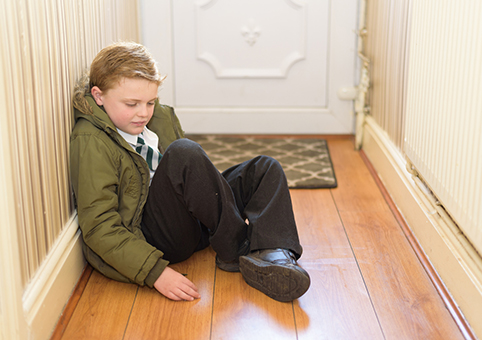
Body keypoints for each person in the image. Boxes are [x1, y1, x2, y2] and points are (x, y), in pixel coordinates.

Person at [70, 42, 310, 302]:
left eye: (150, 102)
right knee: (184, 152)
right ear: (98, 96)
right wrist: (155, 272)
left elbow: (192, 177)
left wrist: (215, 197)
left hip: (189, 219)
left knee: (265, 169)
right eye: (132, 103)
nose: (143, 113)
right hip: (156, 234)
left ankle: (276, 253)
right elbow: (99, 227)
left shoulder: (157, 117)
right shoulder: (91, 141)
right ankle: (240, 249)